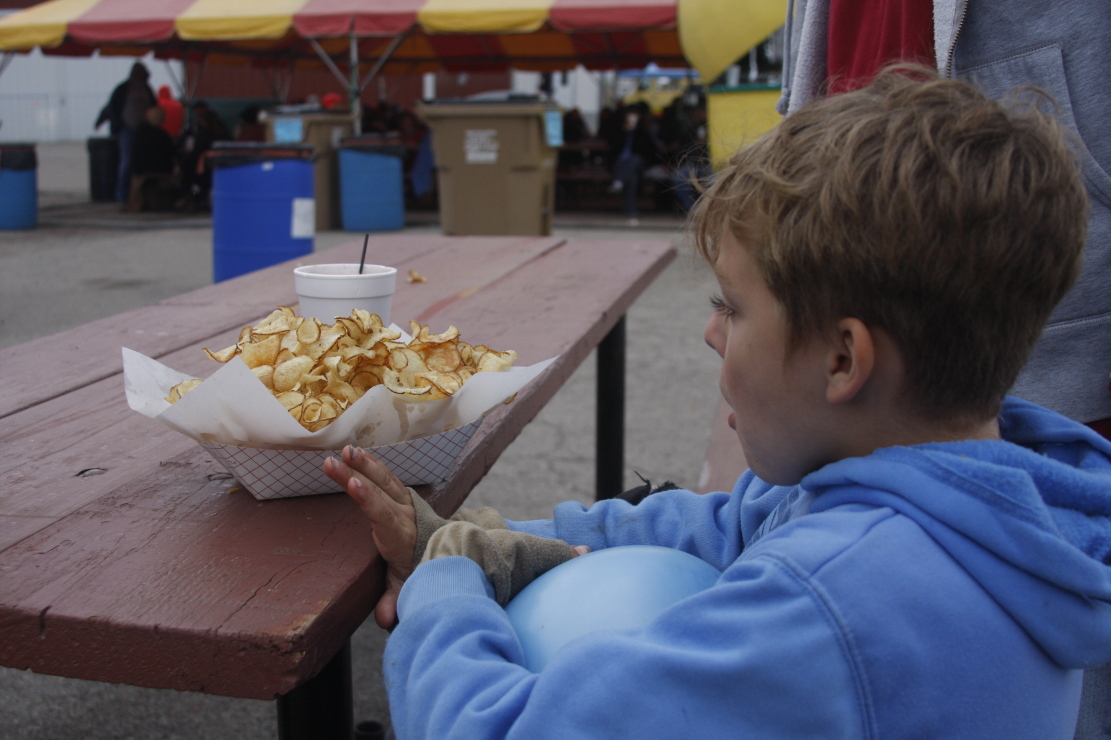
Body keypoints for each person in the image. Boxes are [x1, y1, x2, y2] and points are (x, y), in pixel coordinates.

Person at [323, 70, 1111, 738]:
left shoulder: (829, 606)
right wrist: (480, 539)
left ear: (842, 359)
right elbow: (725, 524)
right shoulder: (998, 499)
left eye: (731, 308)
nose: (707, 332)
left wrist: (446, 584)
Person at [95, 62, 157, 202]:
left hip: (143, 131)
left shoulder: (147, 89)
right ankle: (122, 194)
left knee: (142, 163)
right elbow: (111, 107)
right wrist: (102, 122)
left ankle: (139, 194)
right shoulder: (123, 89)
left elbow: (154, 107)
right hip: (126, 130)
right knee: (127, 162)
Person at [124, 106, 179, 212]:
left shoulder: (139, 132)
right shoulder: (162, 135)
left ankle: (134, 204)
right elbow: (172, 152)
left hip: (139, 169)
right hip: (161, 169)